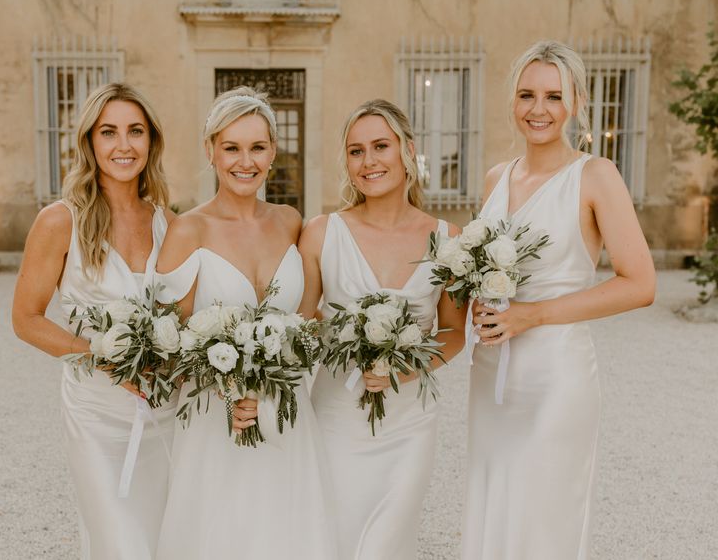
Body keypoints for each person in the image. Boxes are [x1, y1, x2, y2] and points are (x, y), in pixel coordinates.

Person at [461, 41, 656, 559]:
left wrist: (534, 314)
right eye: (527, 95)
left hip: (556, 375)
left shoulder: (595, 176)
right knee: (495, 502)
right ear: (512, 102)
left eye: (553, 95)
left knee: (545, 515)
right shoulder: (495, 179)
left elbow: (640, 284)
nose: (538, 109)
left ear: (574, 102)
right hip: (492, 372)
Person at [154, 88, 336, 560]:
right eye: (231, 147)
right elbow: (168, 341)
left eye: (257, 147)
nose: (245, 160)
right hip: (217, 420)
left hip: (289, 414)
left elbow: (308, 318)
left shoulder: (291, 221)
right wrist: (226, 388)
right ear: (210, 149)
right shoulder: (187, 229)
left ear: (274, 151)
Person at [12, 83, 177, 559]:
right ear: (89, 142)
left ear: (151, 142)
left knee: (161, 538)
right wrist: (103, 358)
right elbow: (25, 318)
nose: (123, 145)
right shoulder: (59, 220)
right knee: (120, 543)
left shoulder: (168, 221)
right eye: (109, 133)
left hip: (163, 408)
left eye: (135, 132)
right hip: (96, 412)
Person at [297, 99, 467, 560]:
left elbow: (454, 332)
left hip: (409, 422)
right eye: (356, 151)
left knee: (386, 543)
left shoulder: (448, 239)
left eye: (380, 146)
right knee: (334, 537)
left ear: (407, 150)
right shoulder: (321, 233)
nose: (369, 161)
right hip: (336, 417)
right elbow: (302, 321)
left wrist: (409, 365)